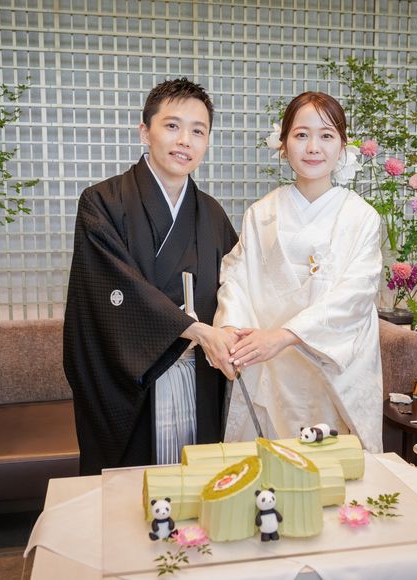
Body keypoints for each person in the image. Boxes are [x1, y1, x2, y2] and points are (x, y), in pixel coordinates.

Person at [64, 78, 238, 475]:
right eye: (172, 126)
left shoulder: (211, 213)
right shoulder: (102, 202)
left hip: (200, 376)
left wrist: (235, 331)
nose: (185, 141)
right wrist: (195, 330)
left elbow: (238, 284)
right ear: (145, 131)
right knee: (135, 495)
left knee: (197, 484)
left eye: (198, 131)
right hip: (132, 380)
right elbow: (111, 287)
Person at [214, 91, 383, 453]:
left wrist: (285, 335)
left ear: (342, 146)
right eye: (301, 134)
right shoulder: (262, 213)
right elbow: (237, 277)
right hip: (270, 367)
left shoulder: (361, 217)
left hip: (332, 369)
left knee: (333, 471)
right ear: (284, 144)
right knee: (270, 471)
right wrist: (230, 328)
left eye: (326, 135)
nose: (313, 147)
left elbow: (356, 293)